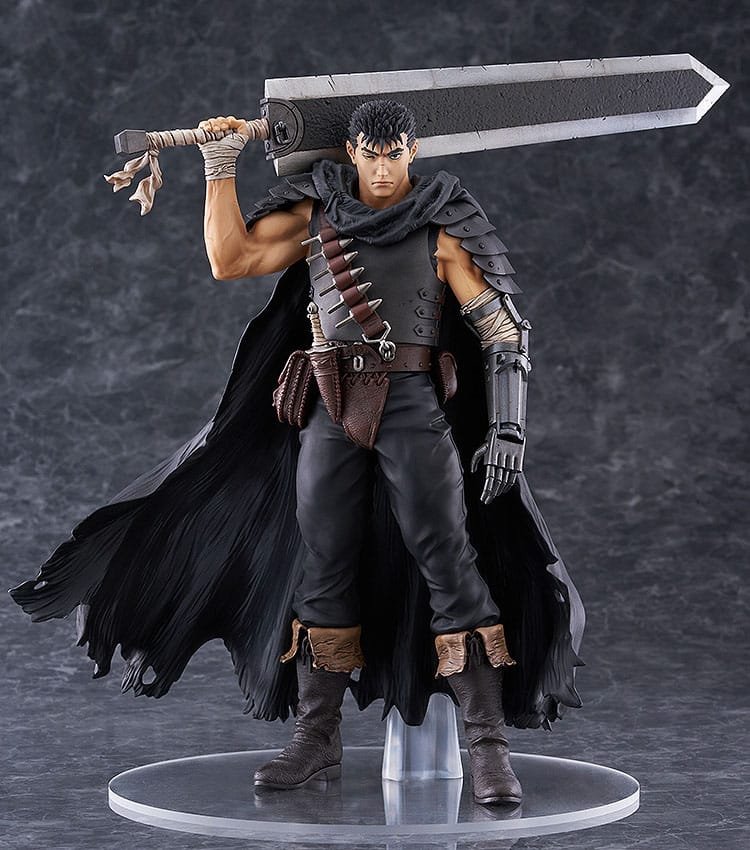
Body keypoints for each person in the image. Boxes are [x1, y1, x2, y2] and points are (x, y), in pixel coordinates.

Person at [11, 100, 584, 807]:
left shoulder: (443, 220)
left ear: (411, 152)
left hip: (411, 402)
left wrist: (508, 429)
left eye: (393, 155)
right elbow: (232, 259)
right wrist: (220, 167)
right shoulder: (320, 212)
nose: (381, 170)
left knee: (447, 558)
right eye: (369, 155)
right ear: (352, 151)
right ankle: (316, 736)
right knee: (323, 561)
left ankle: (488, 745)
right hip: (329, 403)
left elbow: (501, 330)